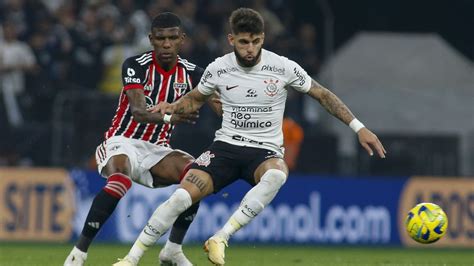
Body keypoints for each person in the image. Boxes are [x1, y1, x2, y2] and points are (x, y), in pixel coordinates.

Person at [115, 8, 386, 266]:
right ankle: (131, 258)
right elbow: (195, 99)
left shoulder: (282, 67)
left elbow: (322, 94)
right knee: (180, 198)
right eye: (243, 42)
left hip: (263, 152)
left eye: (256, 42)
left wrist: (359, 128)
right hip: (225, 148)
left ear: (263, 38)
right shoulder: (218, 68)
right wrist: (172, 108)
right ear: (231, 39)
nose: (250, 49)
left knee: (277, 174)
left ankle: (220, 237)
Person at [64, 12, 221, 266]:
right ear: (151, 39)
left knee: (197, 175)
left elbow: (220, 106)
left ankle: (172, 250)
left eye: (172, 38)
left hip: (157, 150)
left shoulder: (194, 73)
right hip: (122, 140)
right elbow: (138, 112)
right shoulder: (135, 65)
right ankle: (78, 253)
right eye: (161, 38)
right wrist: (171, 117)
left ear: (182, 39)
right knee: (120, 180)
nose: (166, 44)